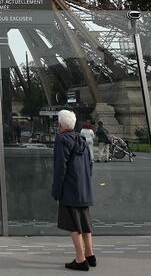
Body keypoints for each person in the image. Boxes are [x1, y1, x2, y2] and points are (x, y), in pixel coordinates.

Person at [52, 109, 95, 271]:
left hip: (69, 189)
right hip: (83, 188)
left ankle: (80, 259)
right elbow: (90, 164)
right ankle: (90, 254)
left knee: (73, 225)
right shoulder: (81, 139)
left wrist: (56, 190)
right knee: (84, 222)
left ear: (60, 124)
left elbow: (59, 168)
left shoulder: (61, 140)